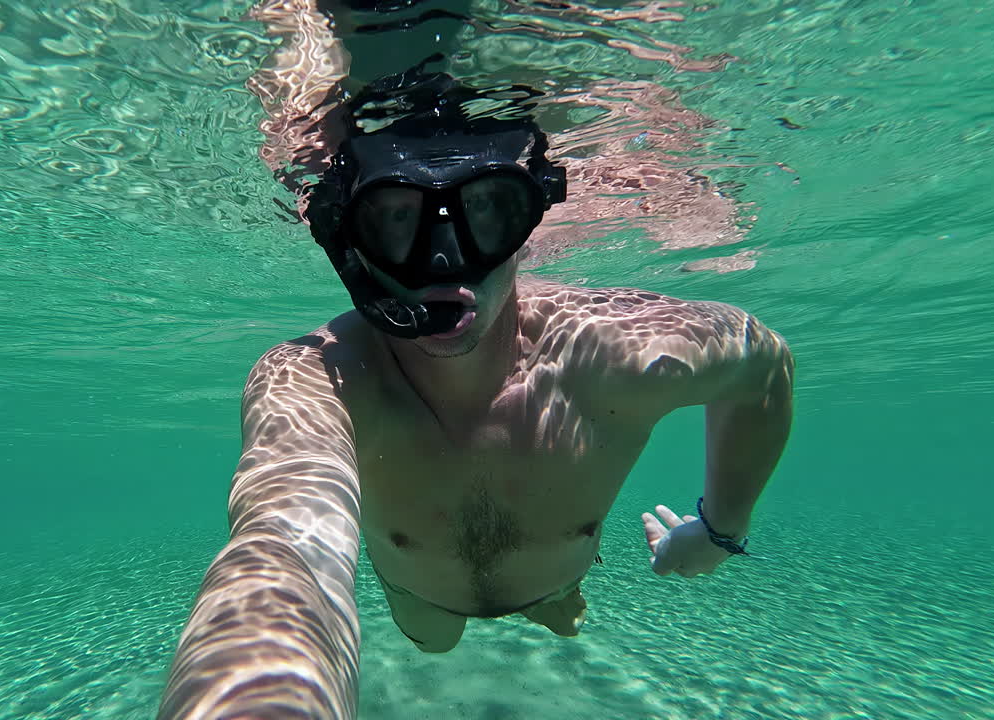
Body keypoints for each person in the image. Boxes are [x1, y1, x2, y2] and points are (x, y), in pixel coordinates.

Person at [158, 70, 794, 720]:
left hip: (560, 577)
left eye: (488, 210)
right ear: (347, 242)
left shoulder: (612, 351)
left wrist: (720, 533)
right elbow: (286, 545)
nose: (445, 260)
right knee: (433, 642)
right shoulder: (316, 379)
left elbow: (762, 362)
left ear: (529, 220)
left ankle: (557, 603)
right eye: (397, 220)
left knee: (564, 618)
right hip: (422, 601)